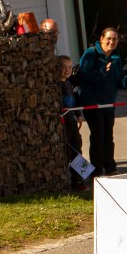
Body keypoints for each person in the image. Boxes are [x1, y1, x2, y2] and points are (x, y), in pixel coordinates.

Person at [77, 29, 127, 177]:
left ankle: (110, 167)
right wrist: (102, 71)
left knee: (109, 136)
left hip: (109, 105)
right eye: (109, 39)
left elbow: (120, 81)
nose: (111, 42)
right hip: (92, 104)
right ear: (101, 39)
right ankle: (95, 170)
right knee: (98, 136)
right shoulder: (91, 54)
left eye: (114, 39)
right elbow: (83, 76)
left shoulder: (116, 58)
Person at [57, 55, 86, 189]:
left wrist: (79, 115)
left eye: (69, 67)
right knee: (68, 152)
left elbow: (74, 102)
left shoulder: (69, 83)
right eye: (64, 67)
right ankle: (69, 181)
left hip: (72, 122)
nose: (67, 70)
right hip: (64, 124)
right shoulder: (57, 86)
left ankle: (81, 180)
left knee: (78, 149)